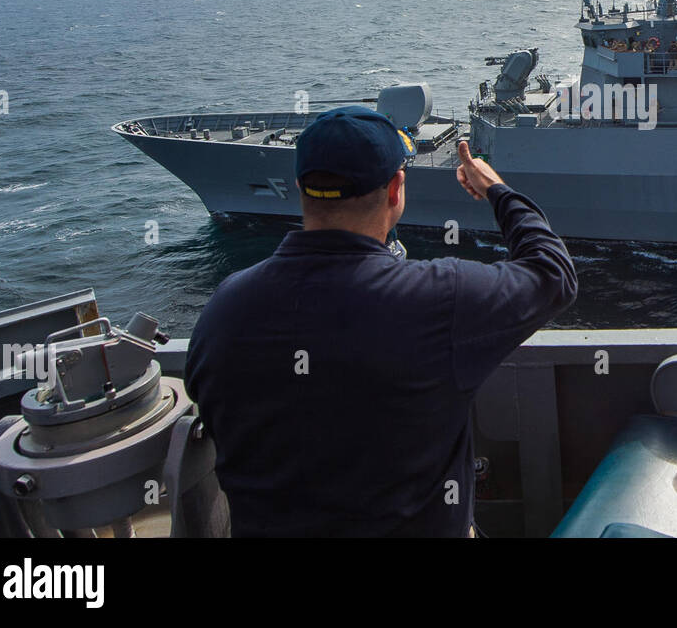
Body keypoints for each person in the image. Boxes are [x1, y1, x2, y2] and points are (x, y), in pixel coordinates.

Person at [185, 106, 577, 537]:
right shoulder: (441, 300)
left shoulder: (223, 311)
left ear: (300, 187)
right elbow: (552, 273)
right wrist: (497, 190)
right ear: (395, 189)